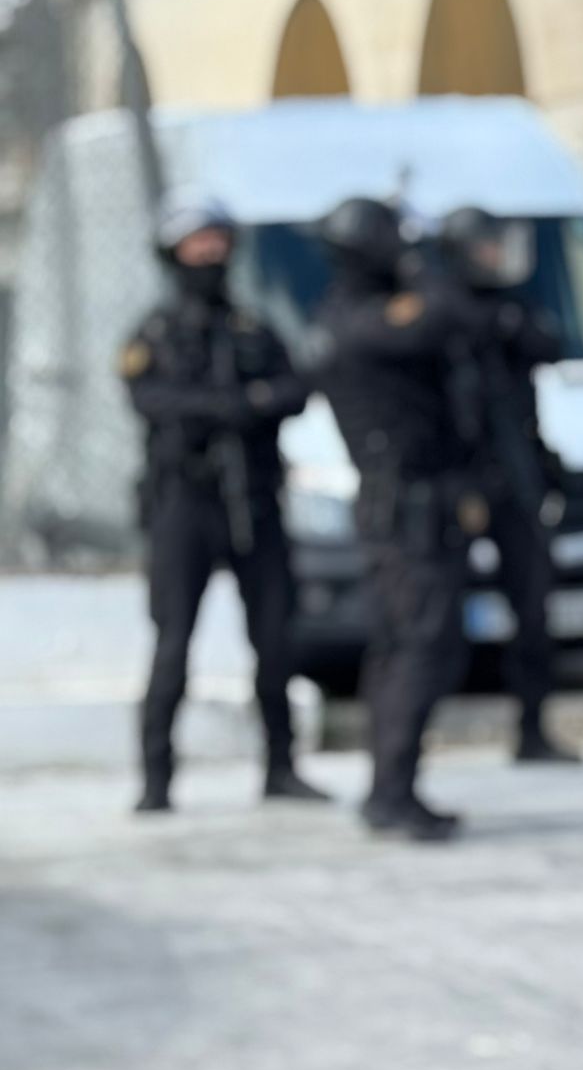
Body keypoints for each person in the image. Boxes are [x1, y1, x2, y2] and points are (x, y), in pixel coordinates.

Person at [122, 193, 328, 813]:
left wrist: (252, 403)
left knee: (274, 638)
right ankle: (156, 781)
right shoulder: (154, 333)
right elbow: (152, 400)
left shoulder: (254, 328)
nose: (210, 254)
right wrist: (230, 406)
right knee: (172, 642)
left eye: (218, 241)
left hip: (254, 502)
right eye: (197, 243)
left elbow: (295, 387)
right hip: (184, 504)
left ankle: (282, 767)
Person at [312, 197, 475, 842]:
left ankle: (392, 788)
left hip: (408, 504)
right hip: (404, 508)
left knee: (405, 647)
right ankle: (391, 792)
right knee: (417, 647)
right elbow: (442, 317)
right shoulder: (360, 318)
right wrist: (420, 263)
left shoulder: (352, 312)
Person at [435, 207, 580, 765]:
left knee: (534, 605)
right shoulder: (439, 310)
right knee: (433, 615)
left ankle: (533, 728)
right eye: (486, 247)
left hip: (514, 478)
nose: (497, 257)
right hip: (458, 480)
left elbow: (549, 344)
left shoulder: (508, 309)